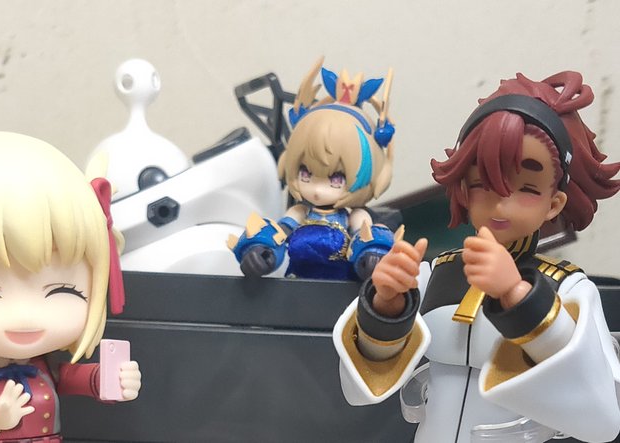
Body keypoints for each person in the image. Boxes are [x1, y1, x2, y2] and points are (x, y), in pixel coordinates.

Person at [333, 72, 620, 442]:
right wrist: (386, 305)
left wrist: (519, 298)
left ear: (554, 203)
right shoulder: (437, 273)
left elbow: (601, 417)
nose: (501, 203)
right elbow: (360, 385)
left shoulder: (569, 289)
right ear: (464, 189)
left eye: (526, 188)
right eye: (483, 184)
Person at [0, 132, 141, 443]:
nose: (25, 315)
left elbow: (86, 379)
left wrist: (114, 378)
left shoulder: (49, 369)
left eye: (63, 289)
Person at [230, 58, 396, 280]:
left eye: (336, 178)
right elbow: (277, 236)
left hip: (340, 290)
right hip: (296, 286)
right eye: (306, 174)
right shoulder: (300, 213)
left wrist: (372, 256)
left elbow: (367, 239)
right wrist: (259, 251)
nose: (318, 189)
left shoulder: (354, 217)